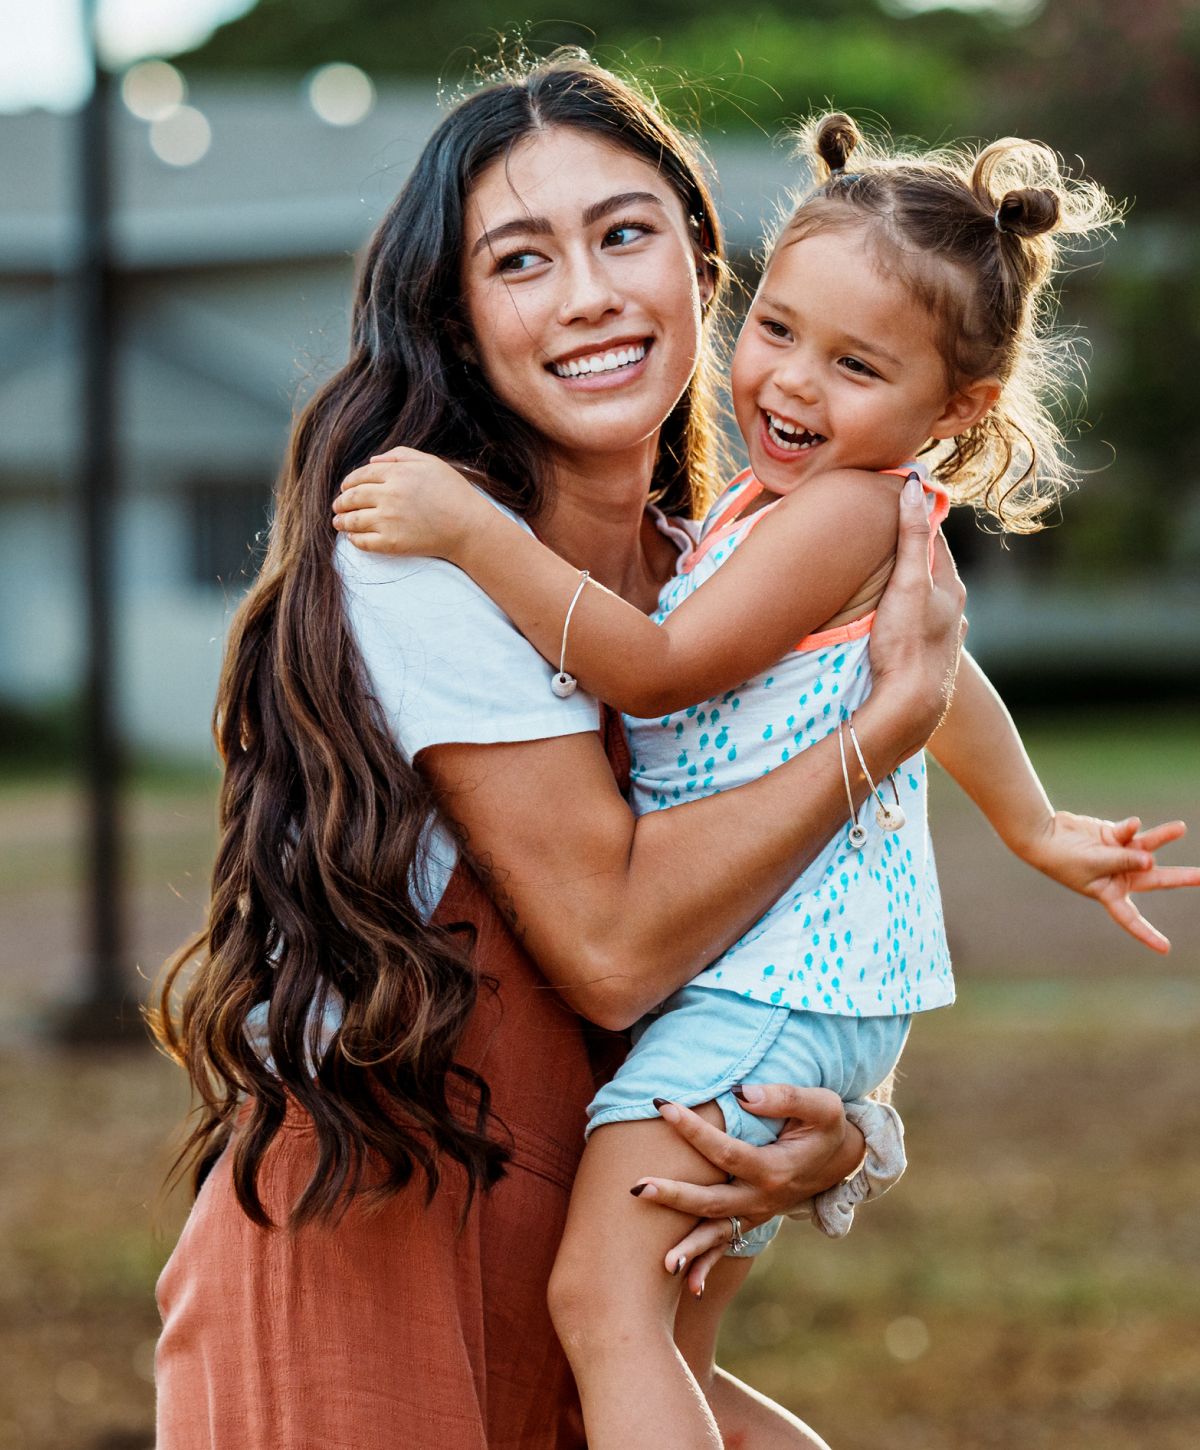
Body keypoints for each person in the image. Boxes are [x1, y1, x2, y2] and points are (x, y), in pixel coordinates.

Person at [331, 111, 1200, 1449]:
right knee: (660, 1351)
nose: (791, 384)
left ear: (955, 409)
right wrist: (1029, 824)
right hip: (791, 996)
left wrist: (468, 532)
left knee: (601, 1304)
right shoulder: (780, 515)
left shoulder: (851, 507)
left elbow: (659, 668)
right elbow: (931, 673)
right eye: (779, 330)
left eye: (857, 363)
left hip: (770, 993)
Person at [150, 62, 971, 1450]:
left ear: (707, 271)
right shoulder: (424, 553)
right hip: (372, 1233)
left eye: (624, 234)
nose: (587, 293)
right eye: (519, 260)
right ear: (462, 323)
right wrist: (880, 730)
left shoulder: (721, 577)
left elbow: (819, 918)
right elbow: (613, 946)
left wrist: (843, 1128)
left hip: (586, 1267)